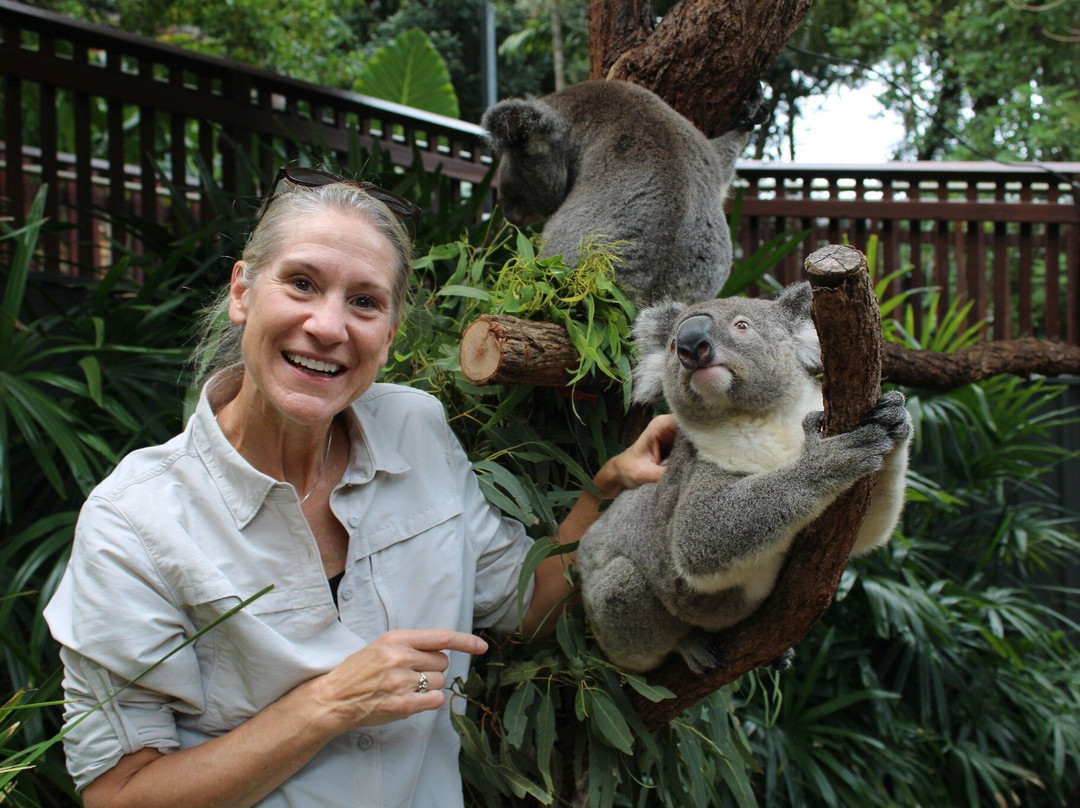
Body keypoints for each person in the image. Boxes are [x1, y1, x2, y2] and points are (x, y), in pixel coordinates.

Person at [43, 166, 677, 808]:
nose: (327, 326)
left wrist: (606, 492)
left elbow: (526, 607)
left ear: (391, 331)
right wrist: (329, 704)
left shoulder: (417, 430)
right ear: (242, 290)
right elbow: (118, 795)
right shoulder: (136, 520)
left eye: (365, 302)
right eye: (301, 283)